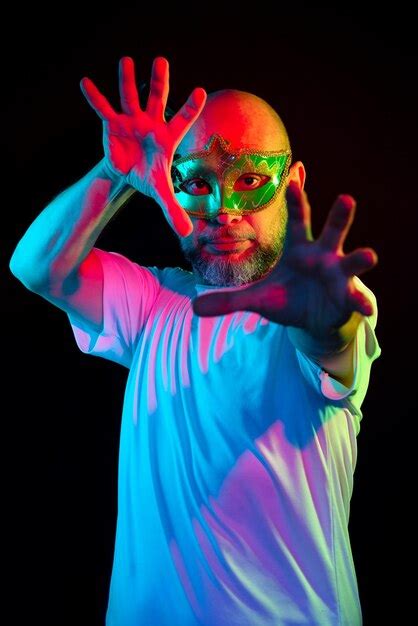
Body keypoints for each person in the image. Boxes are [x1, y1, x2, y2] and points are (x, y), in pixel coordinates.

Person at [10, 56, 381, 626]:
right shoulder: (154, 302)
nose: (224, 210)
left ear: (294, 184)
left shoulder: (325, 296)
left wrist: (325, 315)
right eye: (199, 184)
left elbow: (332, 334)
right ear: (172, 185)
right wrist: (113, 175)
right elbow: (38, 267)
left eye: (251, 180)